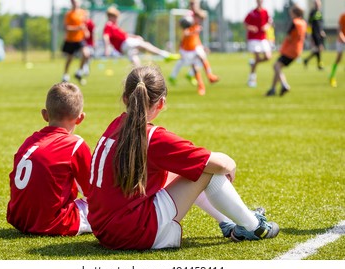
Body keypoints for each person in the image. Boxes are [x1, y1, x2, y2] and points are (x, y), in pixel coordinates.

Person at [87, 65, 279, 250]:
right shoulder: (153, 136)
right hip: (132, 232)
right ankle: (255, 227)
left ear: (124, 98)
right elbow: (219, 165)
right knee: (206, 171)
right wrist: (231, 162)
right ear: (161, 103)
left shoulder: (115, 125)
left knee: (177, 170)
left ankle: (228, 222)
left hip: (104, 229)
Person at [7, 82, 92, 236]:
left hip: (18, 219)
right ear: (80, 118)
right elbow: (92, 191)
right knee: (106, 209)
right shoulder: (75, 144)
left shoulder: (29, 141)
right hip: (53, 222)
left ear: (45, 115)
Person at [103, 6, 180, 67]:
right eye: (116, 17)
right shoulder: (109, 24)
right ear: (111, 16)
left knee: (135, 60)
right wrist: (107, 48)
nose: (117, 19)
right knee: (145, 45)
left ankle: (139, 78)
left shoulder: (114, 26)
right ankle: (165, 55)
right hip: (125, 43)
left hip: (123, 48)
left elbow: (124, 35)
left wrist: (134, 36)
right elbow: (106, 36)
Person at [169, 9, 219, 96]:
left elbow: (196, 38)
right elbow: (186, 33)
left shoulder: (196, 25)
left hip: (195, 47)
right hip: (187, 50)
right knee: (195, 67)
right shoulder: (188, 22)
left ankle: (210, 76)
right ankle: (201, 86)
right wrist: (192, 31)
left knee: (202, 57)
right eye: (199, 19)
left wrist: (202, 46)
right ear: (195, 17)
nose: (200, 21)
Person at [265, 5, 307, 97]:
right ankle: (272, 89)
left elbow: (288, 36)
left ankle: (284, 85)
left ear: (294, 13)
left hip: (290, 50)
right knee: (278, 67)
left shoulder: (294, 22)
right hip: (297, 50)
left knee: (276, 66)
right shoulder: (303, 23)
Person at [244, 0, 272, 87]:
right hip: (253, 39)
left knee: (268, 57)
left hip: (263, 38)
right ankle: (252, 78)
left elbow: (269, 22)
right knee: (257, 57)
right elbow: (245, 24)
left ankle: (253, 63)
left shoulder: (265, 12)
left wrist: (267, 26)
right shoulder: (252, 13)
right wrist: (251, 27)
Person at [61, 0, 89, 85]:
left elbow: (83, 24)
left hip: (79, 39)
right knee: (70, 59)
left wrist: (86, 31)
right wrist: (77, 28)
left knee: (86, 54)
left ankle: (79, 72)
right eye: (73, 1)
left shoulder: (83, 13)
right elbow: (66, 28)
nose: (75, 3)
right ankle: (65, 75)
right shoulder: (69, 14)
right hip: (70, 39)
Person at [303, 0, 326, 70]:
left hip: (320, 33)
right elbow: (309, 24)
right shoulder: (312, 13)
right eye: (316, 4)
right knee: (319, 48)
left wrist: (322, 31)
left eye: (318, 4)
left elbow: (321, 23)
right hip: (314, 33)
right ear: (314, 4)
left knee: (318, 49)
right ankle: (319, 64)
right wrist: (308, 33)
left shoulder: (320, 12)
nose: (317, 5)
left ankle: (306, 60)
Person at [329, 13, 345, 88]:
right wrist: (343, 39)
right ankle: (332, 76)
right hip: (341, 40)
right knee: (338, 59)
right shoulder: (343, 16)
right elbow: (339, 30)